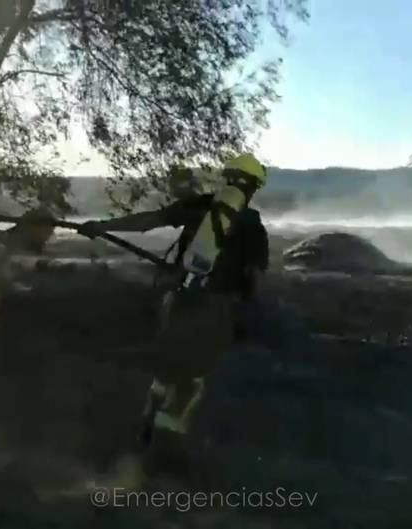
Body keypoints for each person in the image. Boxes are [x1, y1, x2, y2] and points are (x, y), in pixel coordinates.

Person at [78, 154, 269, 472]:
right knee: (193, 380)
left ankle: (146, 426)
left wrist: (101, 227)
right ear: (253, 188)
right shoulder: (251, 223)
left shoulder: (201, 205)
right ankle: (167, 447)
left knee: (167, 368)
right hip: (217, 308)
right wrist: (247, 311)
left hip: (181, 298)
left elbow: (148, 221)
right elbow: (256, 277)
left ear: (228, 177)